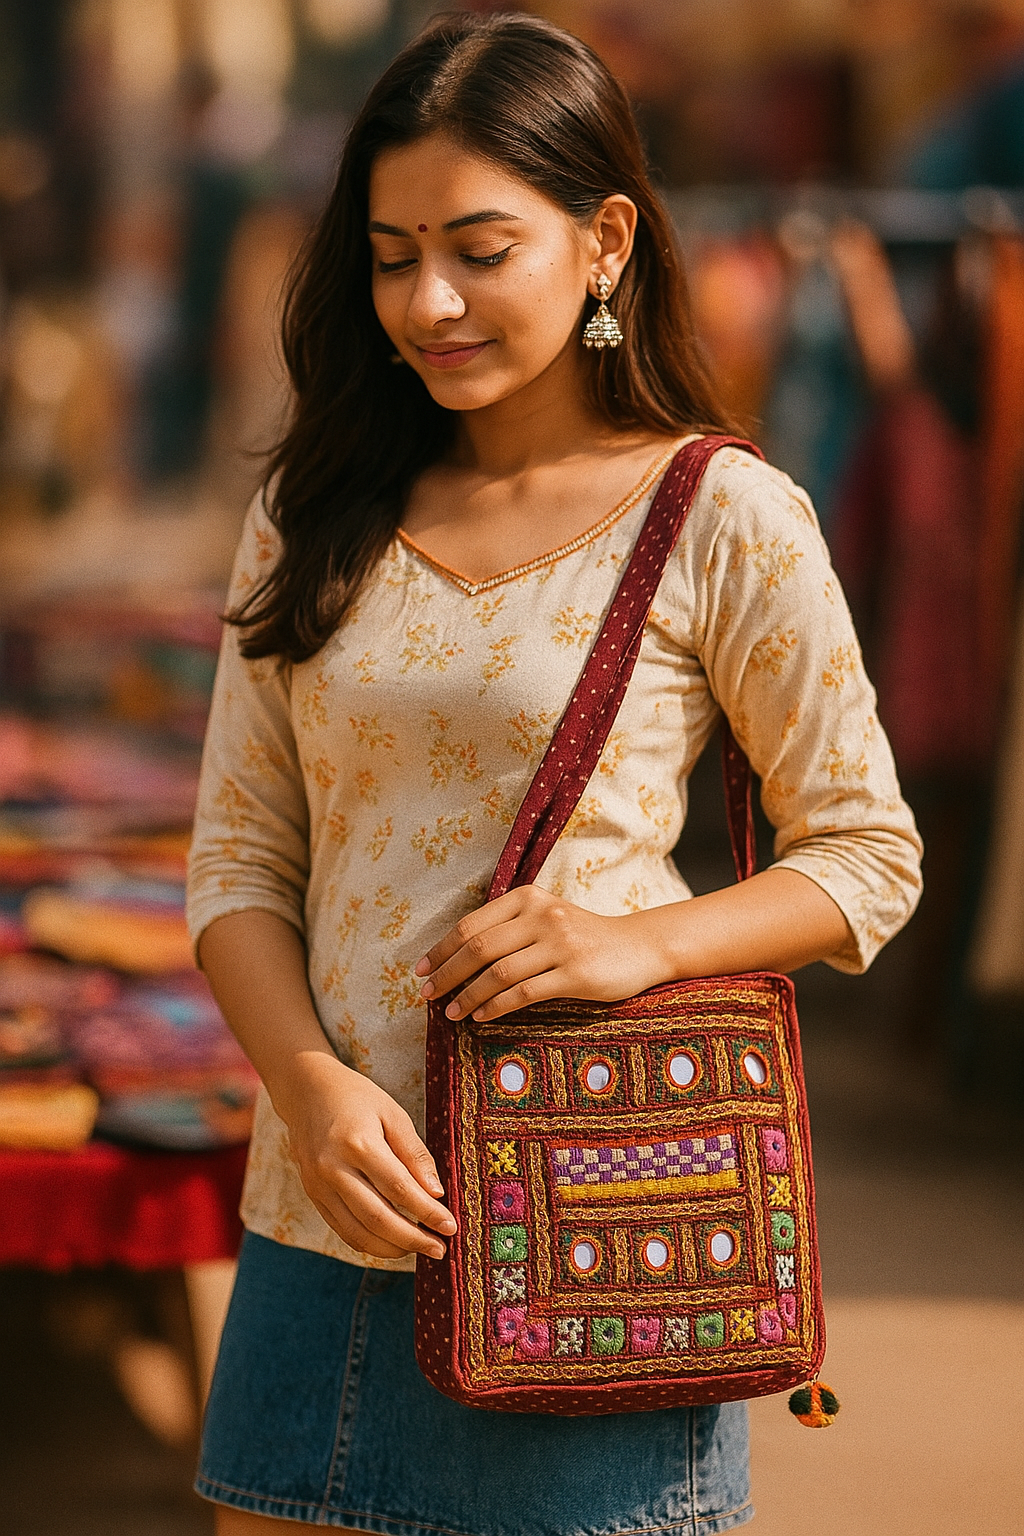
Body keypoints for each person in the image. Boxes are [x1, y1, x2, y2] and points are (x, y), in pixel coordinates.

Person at [186, 14, 922, 1534]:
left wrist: (637, 940)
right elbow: (239, 858)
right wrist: (310, 1088)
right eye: (391, 254)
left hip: (584, 1234)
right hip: (318, 1227)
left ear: (605, 243)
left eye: (477, 248)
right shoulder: (315, 503)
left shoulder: (726, 515)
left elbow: (866, 854)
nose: (428, 301)